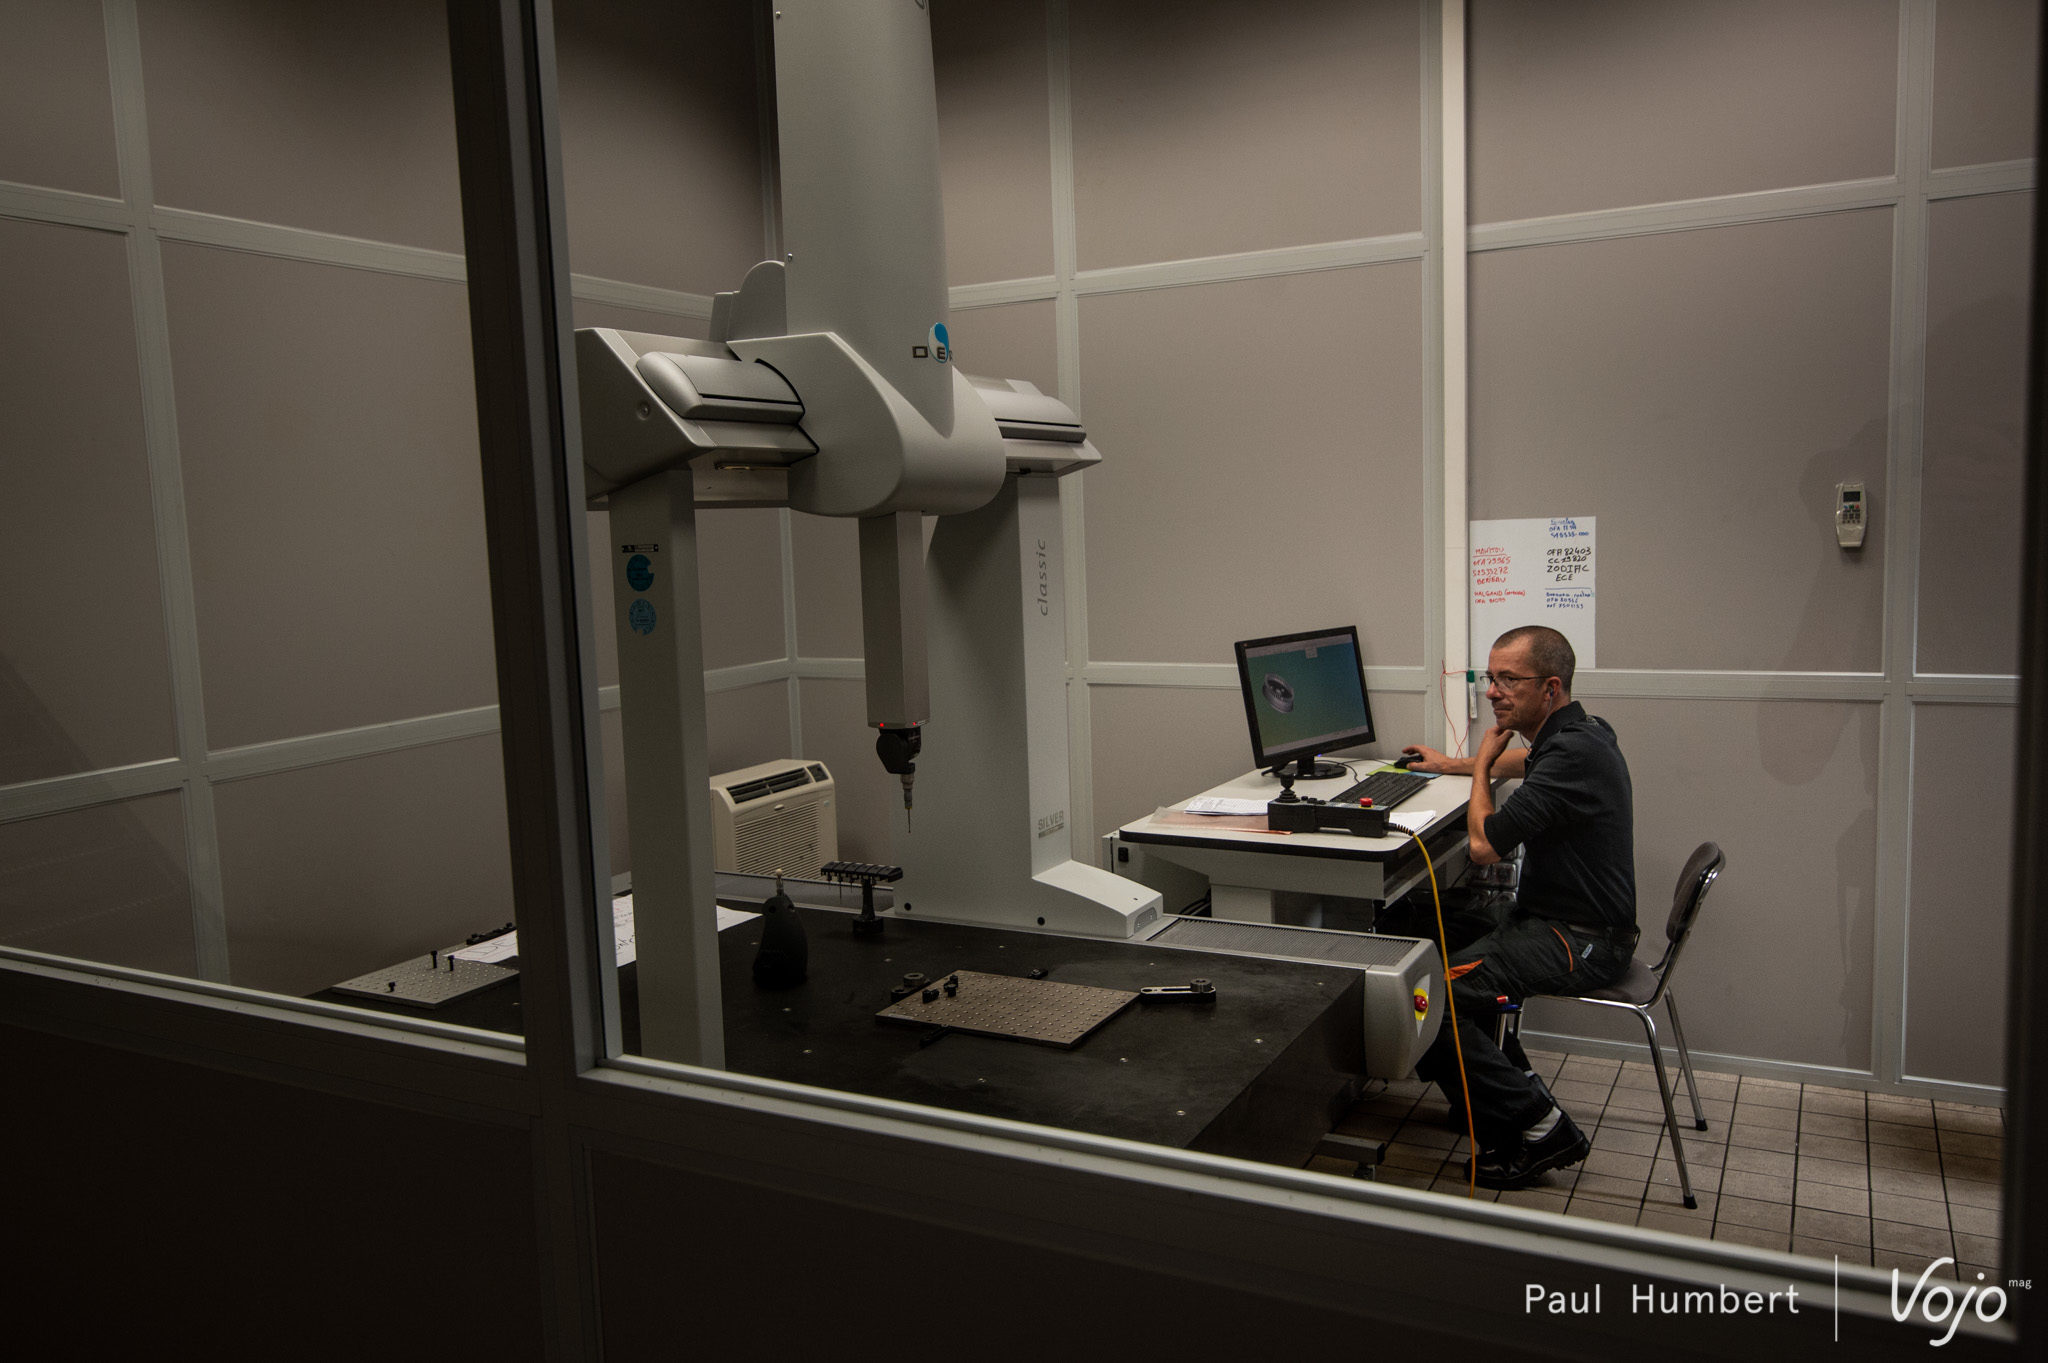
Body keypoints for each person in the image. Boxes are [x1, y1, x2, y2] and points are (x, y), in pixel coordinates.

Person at [1399, 625, 1637, 1190]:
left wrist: (1481, 765)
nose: (1492, 691)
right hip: (1555, 920)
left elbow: (1483, 846)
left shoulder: (1572, 752)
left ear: (1550, 688)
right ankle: (1490, 1093)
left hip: (1579, 940)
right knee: (1420, 924)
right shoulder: (1583, 733)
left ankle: (1540, 1126)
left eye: (1508, 680)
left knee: (1429, 1000)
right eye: (1491, 677)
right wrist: (1451, 764)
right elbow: (1527, 767)